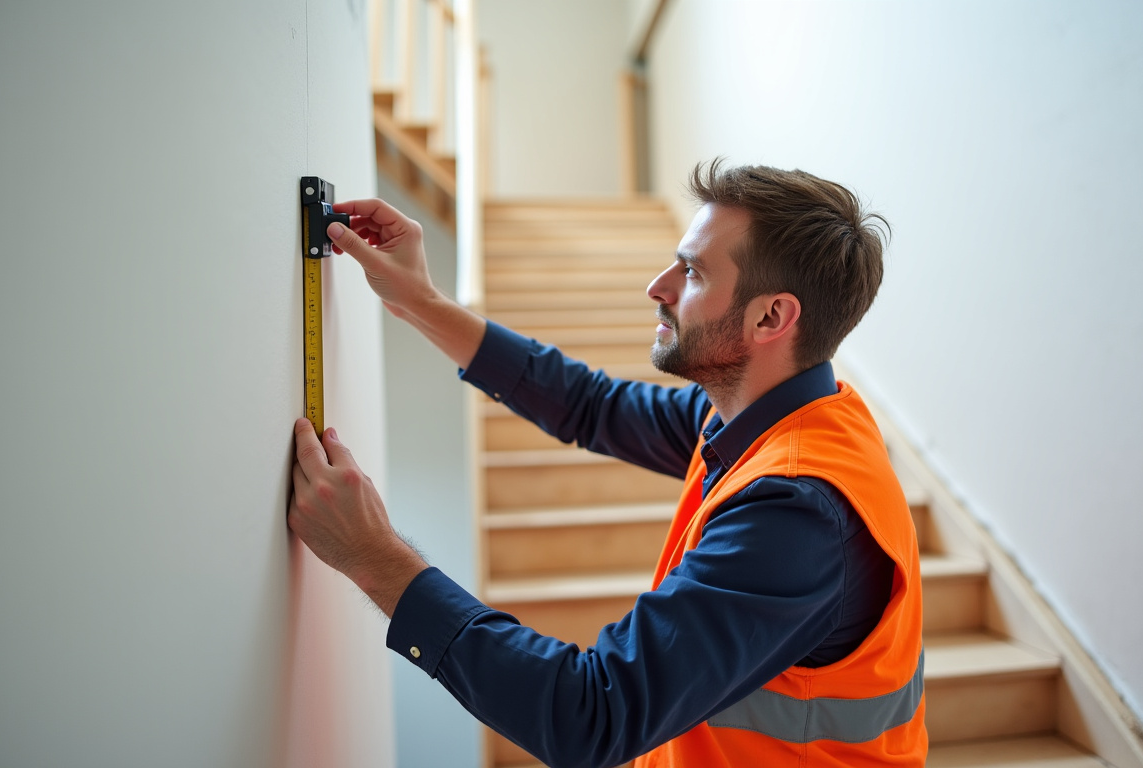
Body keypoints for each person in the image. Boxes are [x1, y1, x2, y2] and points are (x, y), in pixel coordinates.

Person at [287, 162, 927, 767]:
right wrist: (420, 302)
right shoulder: (773, 415)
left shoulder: (797, 513)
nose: (658, 287)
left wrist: (376, 560)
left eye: (693, 273)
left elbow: (590, 715)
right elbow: (591, 405)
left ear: (771, 317)